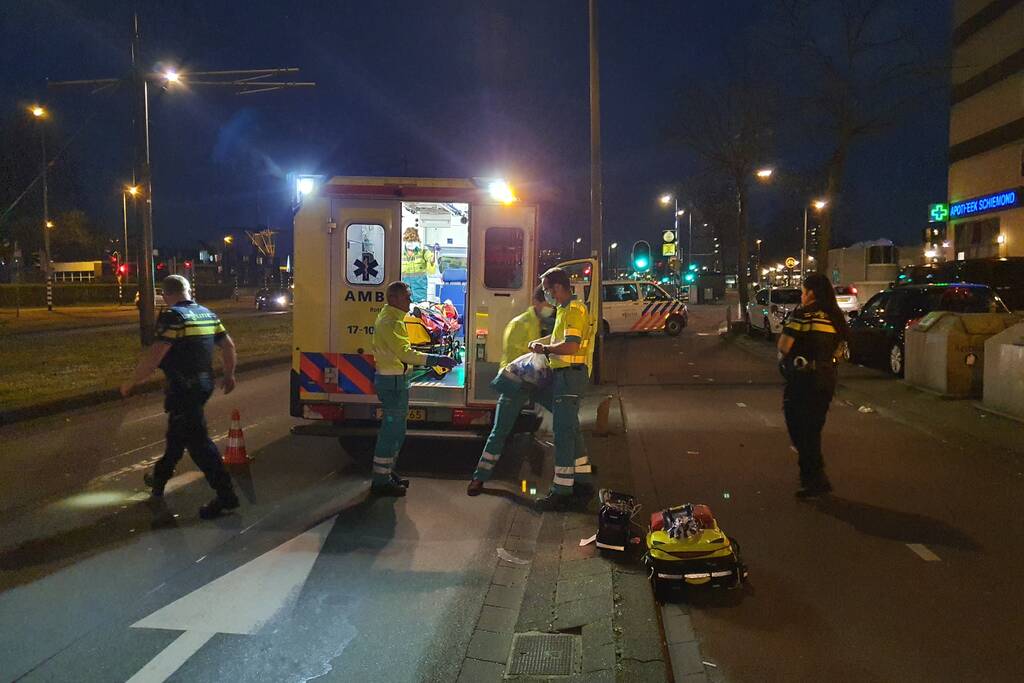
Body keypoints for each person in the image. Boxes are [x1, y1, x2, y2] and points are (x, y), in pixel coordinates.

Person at [120, 275, 240, 519]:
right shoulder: (207, 314)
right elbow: (229, 346)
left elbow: (155, 356)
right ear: (188, 290)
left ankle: (226, 495)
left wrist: (132, 381)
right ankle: (158, 479)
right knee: (177, 436)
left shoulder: (173, 317)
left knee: (198, 444)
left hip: (184, 388)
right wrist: (229, 375)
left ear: (166, 294)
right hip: (203, 384)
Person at [371, 281, 458, 497]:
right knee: (391, 432)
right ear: (394, 298)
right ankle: (380, 481)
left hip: (396, 381)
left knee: (397, 431)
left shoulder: (393, 318)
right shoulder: (391, 321)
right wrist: (435, 359)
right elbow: (405, 354)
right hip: (392, 382)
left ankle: (388, 473)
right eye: (406, 296)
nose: (410, 300)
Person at [467, 286, 554, 496]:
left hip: (534, 383)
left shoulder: (541, 323)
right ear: (537, 302)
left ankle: (578, 472)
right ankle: (479, 478)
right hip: (517, 384)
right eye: (547, 302)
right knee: (500, 432)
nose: (550, 307)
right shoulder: (520, 324)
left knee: (565, 418)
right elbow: (516, 359)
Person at [529, 267, 596, 511]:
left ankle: (562, 491)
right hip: (569, 376)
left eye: (547, 289)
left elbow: (570, 346)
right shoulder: (566, 310)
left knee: (563, 434)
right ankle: (583, 483)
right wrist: (540, 343)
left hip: (569, 377)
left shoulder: (573, 311)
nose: (546, 294)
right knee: (572, 432)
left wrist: (545, 350)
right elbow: (560, 340)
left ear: (558, 287)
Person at [777, 273, 849, 498]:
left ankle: (814, 478)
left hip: (803, 379)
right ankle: (815, 477)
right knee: (813, 428)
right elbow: (841, 349)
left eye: (803, 291)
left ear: (810, 293)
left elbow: (784, 345)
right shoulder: (835, 316)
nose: (801, 295)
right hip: (826, 379)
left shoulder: (803, 314)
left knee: (798, 427)